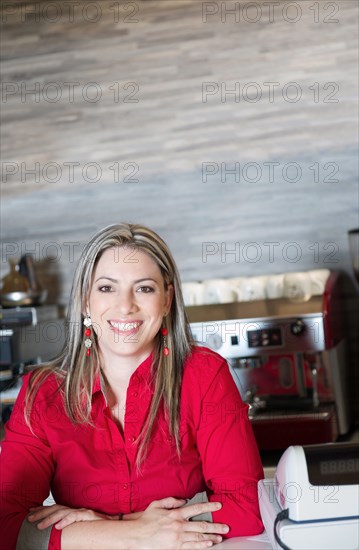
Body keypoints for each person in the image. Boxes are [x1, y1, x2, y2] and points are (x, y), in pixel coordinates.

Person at [0, 223, 264, 550]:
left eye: (144, 288)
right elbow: (5, 525)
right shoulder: (42, 393)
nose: (125, 306)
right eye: (107, 288)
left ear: (167, 299)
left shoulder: (204, 374)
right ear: (85, 301)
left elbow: (246, 507)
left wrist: (100, 530)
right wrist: (135, 533)